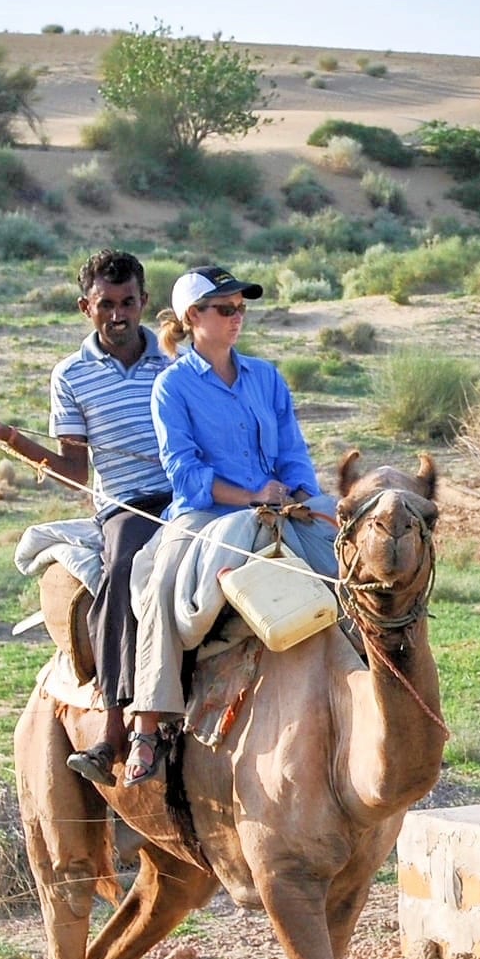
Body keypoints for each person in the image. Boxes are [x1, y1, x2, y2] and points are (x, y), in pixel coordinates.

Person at [0, 250, 172, 786]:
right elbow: (75, 467)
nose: (118, 315)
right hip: (127, 504)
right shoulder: (72, 375)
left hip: (189, 494)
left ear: (144, 302)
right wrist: (11, 440)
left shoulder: (176, 364)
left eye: (128, 303)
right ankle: (118, 730)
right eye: (106, 305)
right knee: (122, 571)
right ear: (85, 307)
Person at [124, 265, 322, 786]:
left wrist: (306, 498)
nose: (238, 317)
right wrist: (252, 495)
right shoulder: (172, 387)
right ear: (193, 318)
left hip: (278, 505)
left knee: (352, 551)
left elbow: (294, 451)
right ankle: (147, 723)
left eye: (241, 307)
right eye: (225, 309)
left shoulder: (266, 377)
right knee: (162, 584)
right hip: (207, 513)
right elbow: (185, 475)